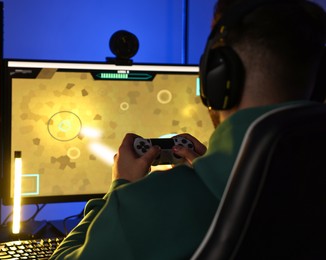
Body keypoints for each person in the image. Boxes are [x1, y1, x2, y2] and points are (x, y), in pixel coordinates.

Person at [50, 0, 326, 259]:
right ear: (319, 86)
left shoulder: (152, 206)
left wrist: (120, 191)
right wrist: (214, 170)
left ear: (215, 78)